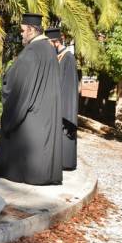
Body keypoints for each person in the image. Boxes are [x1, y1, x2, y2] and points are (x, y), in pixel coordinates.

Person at [0, 13, 63, 185]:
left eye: (23, 31)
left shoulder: (32, 51)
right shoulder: (48, 48)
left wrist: (7, 79)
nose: (21, 34)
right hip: (44, 109)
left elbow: (20, 86)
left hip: (33, 112)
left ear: (31, 30)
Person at [46, 27, 78, 171]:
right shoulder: (56, 56)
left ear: (56, 42)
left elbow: (70, 86)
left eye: (50, 43)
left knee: (65, 133)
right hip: (55, 102)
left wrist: (65, 109)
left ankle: (66, 163)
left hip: (64, 104)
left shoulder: (69, 57)